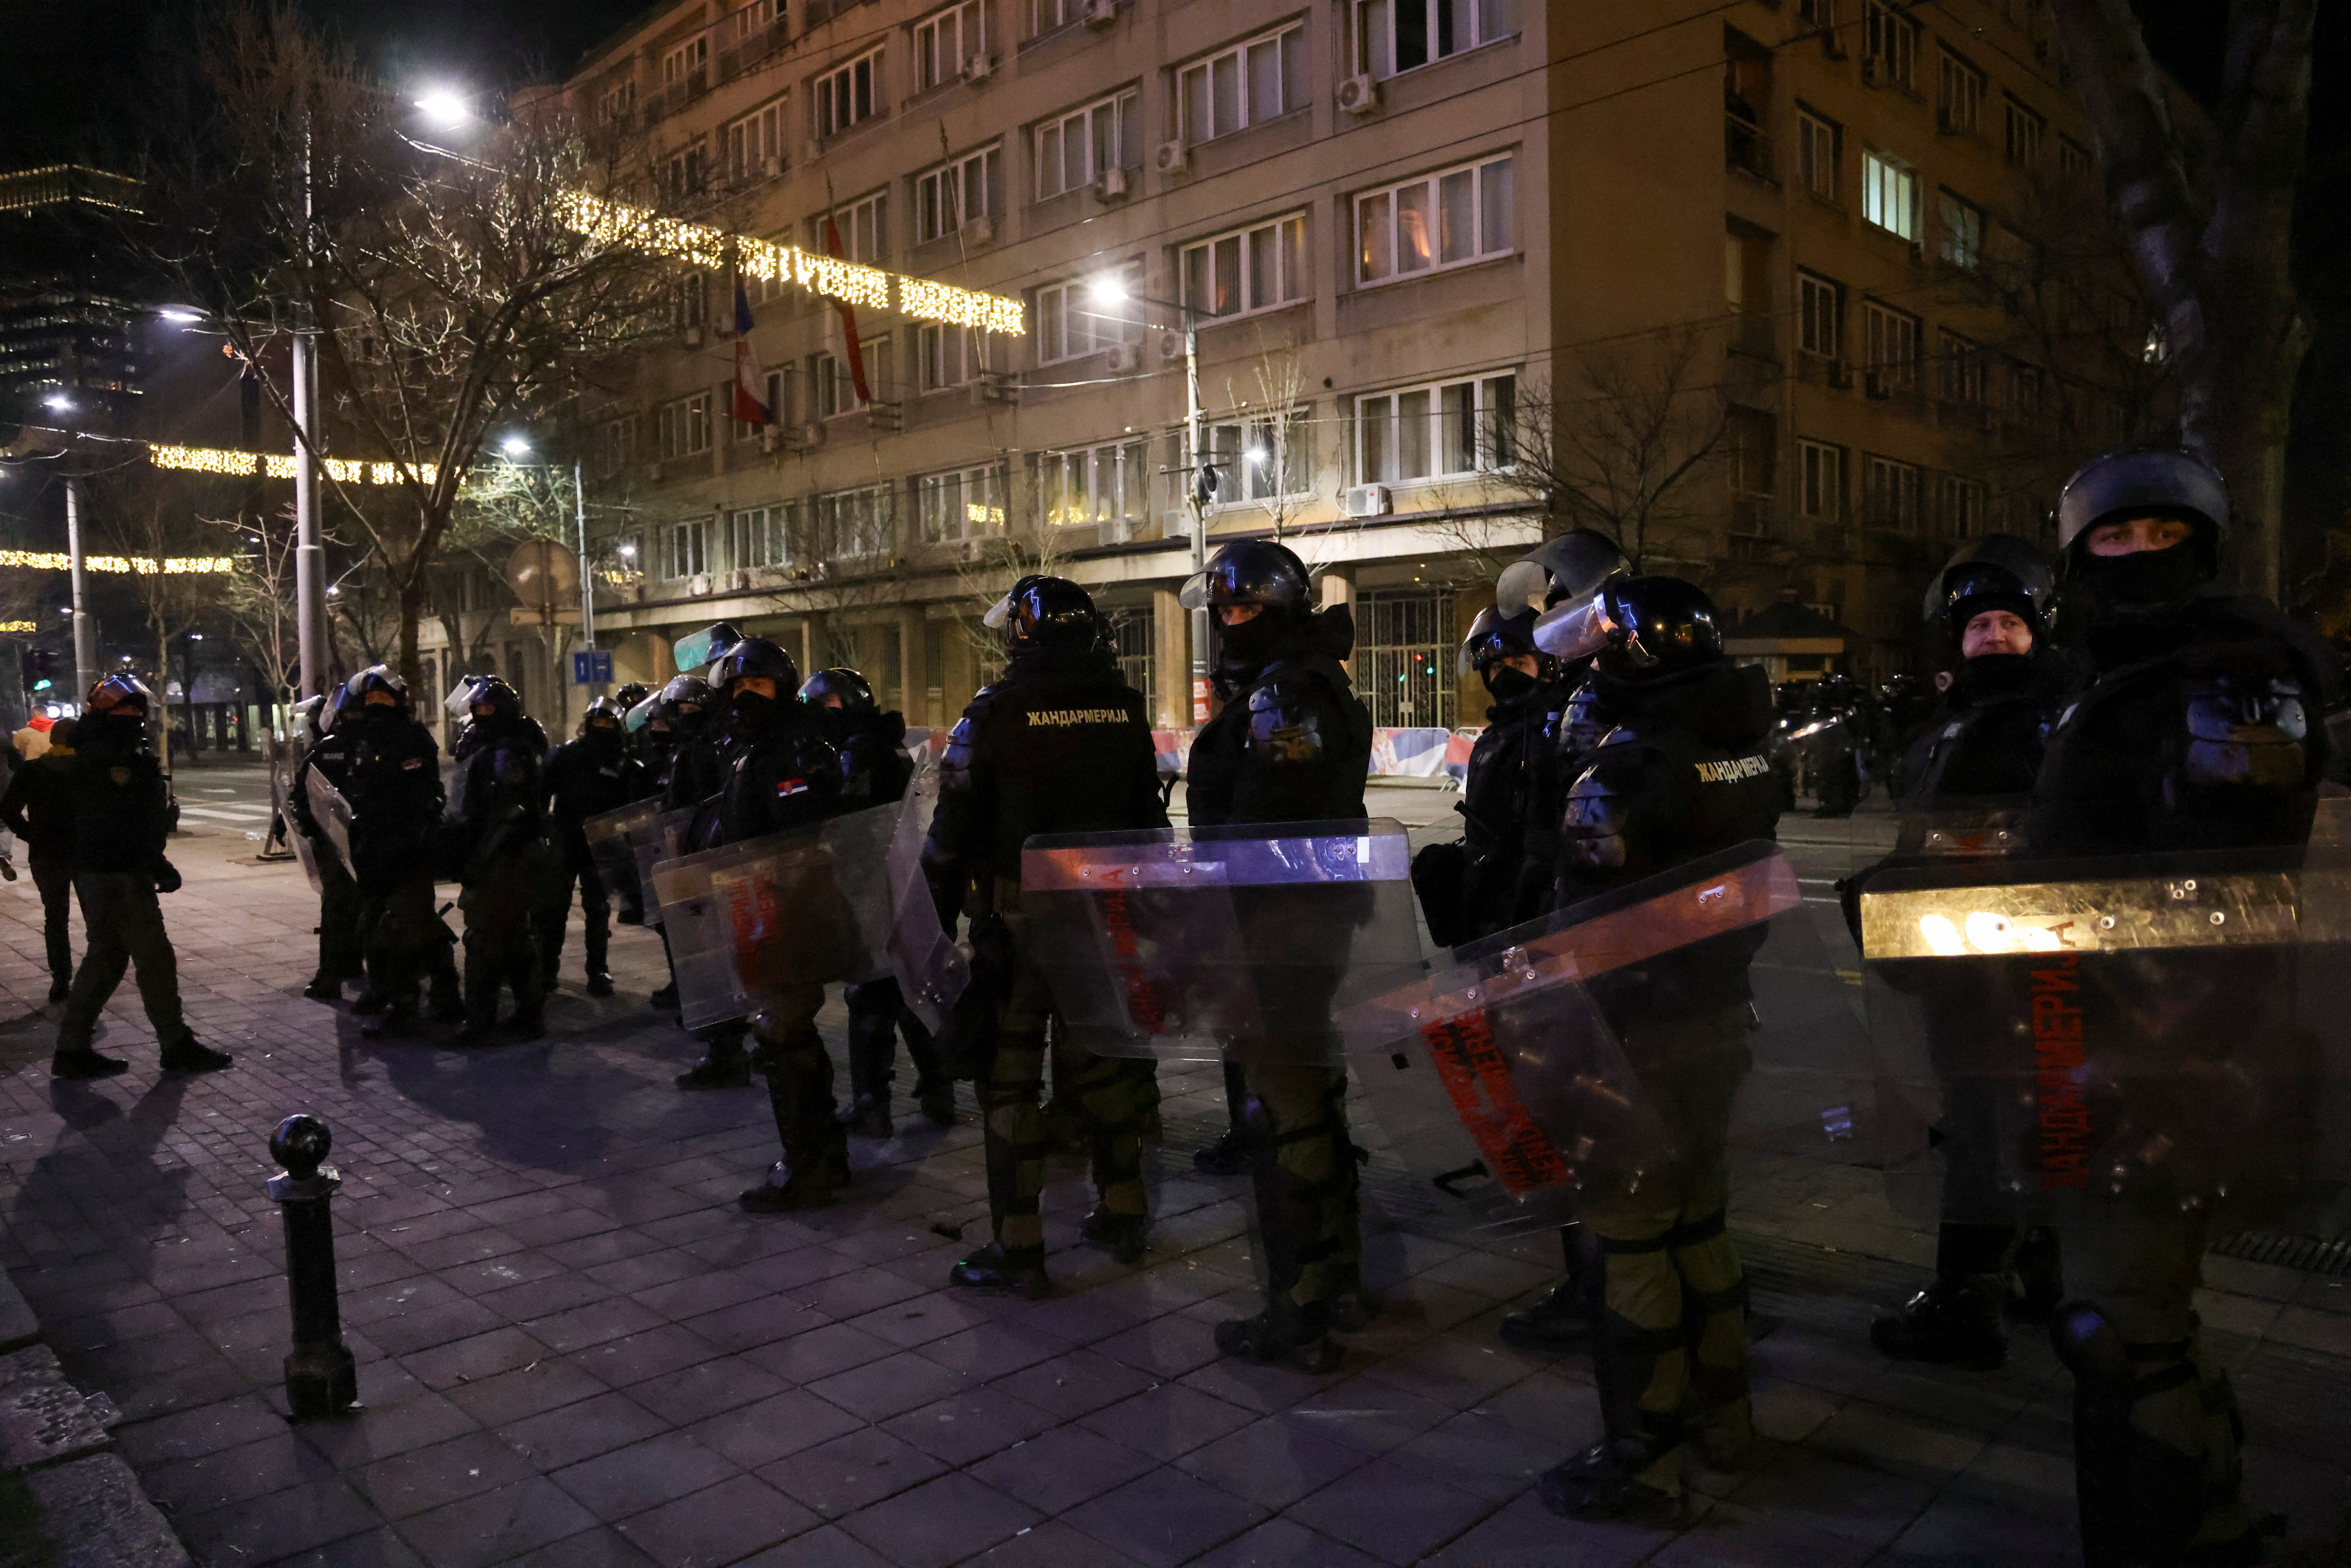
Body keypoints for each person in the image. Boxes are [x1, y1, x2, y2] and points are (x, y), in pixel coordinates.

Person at [2025, 449, 2330, 1566]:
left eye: (2163, 538)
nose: (2138, 557)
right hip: (2092, 1031)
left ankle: (2169, 1540)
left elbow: (2214, 892)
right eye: (2114, 538)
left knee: (2119, 1326)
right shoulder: (2110, 671)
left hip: (2162, 1053)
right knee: (2139, 1316)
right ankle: (2206, 1517)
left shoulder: (2229, 674)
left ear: (2204, 548)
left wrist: (2151, 1059)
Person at [1529, 576, 1783, 1521]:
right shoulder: (1740, 748)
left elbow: (1589, 922)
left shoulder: (1628, 771)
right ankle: (1727, 1419)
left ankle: (1642, 1452)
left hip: (1628, 1029)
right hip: (1717, 1014)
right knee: (1701, 1222)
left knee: (1628, 1235)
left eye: (1600, 643)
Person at [1856, 536, 2076, 1369]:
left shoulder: (2057, 713)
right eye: (1978, 625)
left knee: (1988, 1130)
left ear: (2037, 631)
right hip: (1963, 960)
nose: (1991, 636)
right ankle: (2035, 1274)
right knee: (2010, 1122)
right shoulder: (1958, 716)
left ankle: (1968, 1299)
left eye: (2006, 624)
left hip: (2022, 965)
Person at [921, 576, 1168, 1293]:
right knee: (1111, 1074)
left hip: (1020, 928)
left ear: (1021, 635)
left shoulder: (992, 714)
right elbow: (1147, 822)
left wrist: (931, 921)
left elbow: (948, 839)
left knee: (1011, 1085)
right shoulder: (1122, 708)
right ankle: (1125, 1214)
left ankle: (1019, 1247)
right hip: (1105, 922)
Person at [1182, 541, 1374, 1371]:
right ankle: (1334, 1277)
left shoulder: (1286, 693)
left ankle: (1298, 1310)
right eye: (1222, 610)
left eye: (1245, 608)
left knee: (1283, 1106)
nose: (1230, 622)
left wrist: (1214, 910)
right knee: (1310, 1096)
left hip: (1278, 925)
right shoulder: (1297, 681)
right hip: (1300, 920)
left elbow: (1269, 819)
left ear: (1282, 608)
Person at [706, 639, 854, 1213]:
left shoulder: (794, 750)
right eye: (739, 687)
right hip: (762, 908)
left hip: (791, 913)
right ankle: (825, 1154)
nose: (745, 697)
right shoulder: (755, 745)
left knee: (780, 1032)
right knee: (791, 1036)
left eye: (758, 686)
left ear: (781, 688)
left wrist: (777, 902)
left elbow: (800, 839)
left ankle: (806, 1168)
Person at [51, 677, 232, 1079]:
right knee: (154, 957)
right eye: (123, 709)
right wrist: (155, 863)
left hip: (108, 868)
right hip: (118, 872)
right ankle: (175, 1044)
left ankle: (73, 1047)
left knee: (107, 958)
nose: (132, 715)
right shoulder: (107, 755)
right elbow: (121, 822)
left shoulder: (111, 749)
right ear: (104, 711)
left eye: (136, 709)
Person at [802, 666, 954, 1135]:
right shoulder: (887, 744)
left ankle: (872, 1102)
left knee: (869, 993)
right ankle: (938, 1087)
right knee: (904, 994)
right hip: (902, 881)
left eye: (825, 705)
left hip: (875, 885)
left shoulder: (858, 751)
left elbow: (847, 819)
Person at [337, 668, 452, 1037]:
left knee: (404, 930)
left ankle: (408, 1005)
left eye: (384, 699)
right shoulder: (364, 739)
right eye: (371, 700)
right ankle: (418, 993)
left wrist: (411, 838)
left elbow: (416, 797)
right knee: (386, 926)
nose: (376, 705)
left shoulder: (411, 739)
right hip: (374, 850)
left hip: (406, 850)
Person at [446, 676, 550, 1042]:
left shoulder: (507, 752)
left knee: (485, 938)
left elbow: (509, 814)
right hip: (505, 855)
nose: (479, 714)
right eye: (477, 708)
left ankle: (480, 1021)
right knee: (515, 936)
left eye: (487, 708)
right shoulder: (497, 747)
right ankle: (528, 1014)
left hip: (504, 857)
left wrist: (479, 860)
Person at [540, 696, 643, 997]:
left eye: (607, 723)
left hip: (602, 844)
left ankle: (597, 970)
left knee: (597, 909)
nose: (601, 728)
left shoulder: (624, 764)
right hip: (567, 838)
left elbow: (633, 805)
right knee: (554, 907)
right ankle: (548, 970)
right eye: (596, 722)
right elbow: (544, 791)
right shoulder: (566, 756)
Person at [287, 686, 368, 1003]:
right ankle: (348, 968)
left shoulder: (325, 749)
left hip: (336, 844)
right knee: (359, 907)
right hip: (360, 842)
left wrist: (311, 831)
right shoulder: (369, 746)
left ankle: (333, 976)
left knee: (337, 910)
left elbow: (301, 795)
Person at [2, 717, 79, 1002]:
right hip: (86, 853)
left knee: (56, 917)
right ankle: (93, 977)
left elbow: (8, 810)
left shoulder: (32, 771)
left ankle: (61, 979)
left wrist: (31, 835)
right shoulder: (88, 770)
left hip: (47, 854)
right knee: (99, 916)